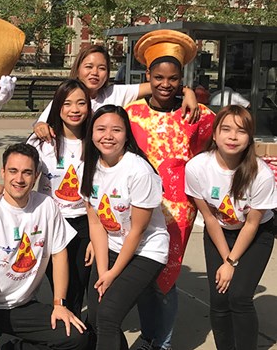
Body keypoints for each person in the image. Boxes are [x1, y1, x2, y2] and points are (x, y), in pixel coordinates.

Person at [125, 30, 215, 350]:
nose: (166, 84)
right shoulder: (131, 115)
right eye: (159, 77)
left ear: (182, 79)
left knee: (165, 281)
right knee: (144, 277)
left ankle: (161, 343)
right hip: (138, 208)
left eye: (174, 78)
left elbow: (226, 146)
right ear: (148, 76)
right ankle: (150, 338)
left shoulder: (199, 116)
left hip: (178, 211)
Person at [0, 143, 88, 350]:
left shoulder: (46, 205)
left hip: (22, 305)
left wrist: (59, 304)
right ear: (2, 172)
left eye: (27, 172)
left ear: (36, 176)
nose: (19, 179)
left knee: (78, 338)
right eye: (13, 171)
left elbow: (59, 255)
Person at [0, 79, 94, 318]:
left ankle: (76, 333)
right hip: (47, 221)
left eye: (81, 103)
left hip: (84, 223)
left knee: (79, 287)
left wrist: (97, 236)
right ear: (57, 107)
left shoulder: (95, 141)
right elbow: (20, 169)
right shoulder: (43, 141)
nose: (74, 110)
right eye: (67, 104)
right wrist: (0, 187)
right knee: (52, 283)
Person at [185, 105, 277, 350]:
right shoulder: (196, 167)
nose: (232, 137)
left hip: (256, 234)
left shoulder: (262, 174)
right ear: (214, 134)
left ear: (250, 138)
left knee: (239, 297)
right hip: (219, 232)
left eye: (241, 131)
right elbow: (210, 218)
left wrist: (231, 262)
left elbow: (252, 223)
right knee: (219, 299)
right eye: (225, 129)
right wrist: (225, 258)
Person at [81, 105, 169, 350]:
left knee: (108, 315)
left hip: (145, 250)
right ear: (91, 133)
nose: (108, 135)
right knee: (96, 317)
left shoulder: (139, 171)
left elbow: (137, 231)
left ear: (127, 135)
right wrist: (102, 270)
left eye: (116, 130)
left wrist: (112, 273)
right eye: (101, 129)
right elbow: (96, 222)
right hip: (112, 246)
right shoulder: (88, 167)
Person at [33, 44, 200, 142]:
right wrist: (40, 126)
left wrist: (187, 92)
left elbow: (159, 85)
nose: (95, 73)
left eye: (102, 68)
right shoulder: (66, 96)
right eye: (89, 67)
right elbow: (41, 124)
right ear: (78, 69)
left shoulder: (115, 93)